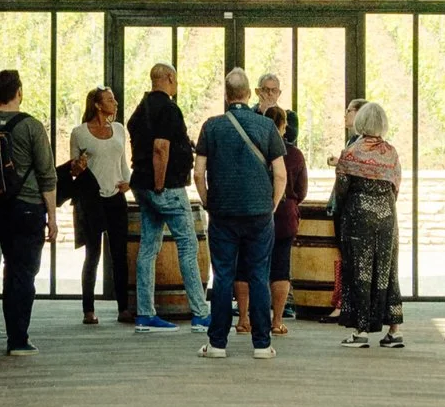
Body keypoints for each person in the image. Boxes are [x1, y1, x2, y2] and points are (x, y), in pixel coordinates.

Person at [194, 66, 284, 361]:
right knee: (258, 275)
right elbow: (280, 174)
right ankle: (262, 345)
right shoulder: (267, 127)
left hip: (223, 213)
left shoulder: (211, 127)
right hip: (259, 213)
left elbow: (198, 173)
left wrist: (208, 201)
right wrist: (272, 204)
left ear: (226, 94)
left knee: (223, 275)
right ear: (248, 94)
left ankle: (217, 344)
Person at [127, 62, 207, 332]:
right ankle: (200, 313)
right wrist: (160, 183)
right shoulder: (169, 109)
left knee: (148, 248)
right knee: (188, 245)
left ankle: (145, 315)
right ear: (170, 78)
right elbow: (160, 148)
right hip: (166, 188)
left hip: (141, 186)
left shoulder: (141, 109)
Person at [0, 68, 57, 357]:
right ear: (19, 92)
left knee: (11, 267)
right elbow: (47, 176)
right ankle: (18, 338)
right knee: (24, 272)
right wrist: (52, 217)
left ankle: (13, 334)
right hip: (28, 207)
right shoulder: (32, 127)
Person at [234, 75, 307, 339]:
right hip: (278, 212)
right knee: (272, 266)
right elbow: (301, 190)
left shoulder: (259, 143)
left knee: (253, 264)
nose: (269, 94)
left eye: (274, 90)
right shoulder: (293, 153)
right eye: (265, 90)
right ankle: (269, 320)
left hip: (257, 209)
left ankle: (250, 318)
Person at [330, 97, 403, 347]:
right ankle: (394, 330)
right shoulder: (391, 153)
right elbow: (395, 187)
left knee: (359, 272)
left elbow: (341, 190)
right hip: (387, 218)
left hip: (358, 220)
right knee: (388, 271)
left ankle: (360, 331)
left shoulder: (351, 153)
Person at [66, 86, 134, 324]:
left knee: (119, 254)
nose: (115, 103)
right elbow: (73, 169)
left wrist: (128, 182)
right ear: (97, 105)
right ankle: (88, 309)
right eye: (110, 100)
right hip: (91, 198)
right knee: (93, 253)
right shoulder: (80, 133)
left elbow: (122, 161)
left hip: (116, 196)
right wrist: (78, 167)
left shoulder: (119, 130)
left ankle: (123, 308)